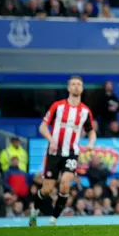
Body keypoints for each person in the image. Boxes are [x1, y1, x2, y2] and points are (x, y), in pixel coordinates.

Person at [30, 76, 96, 226]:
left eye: (79, 84)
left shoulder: (85, 111)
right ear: (68, 88)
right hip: (54, 152)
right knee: (47, 189)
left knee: (65, 184)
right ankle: (34, 212)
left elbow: (91, 131)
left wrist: (91, 143)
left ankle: (53, 220)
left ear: (82, 88)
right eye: (73, 84)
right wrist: (51, 139)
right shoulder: (57, 106)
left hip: (72, 152)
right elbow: (43, 127)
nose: (76, 87)